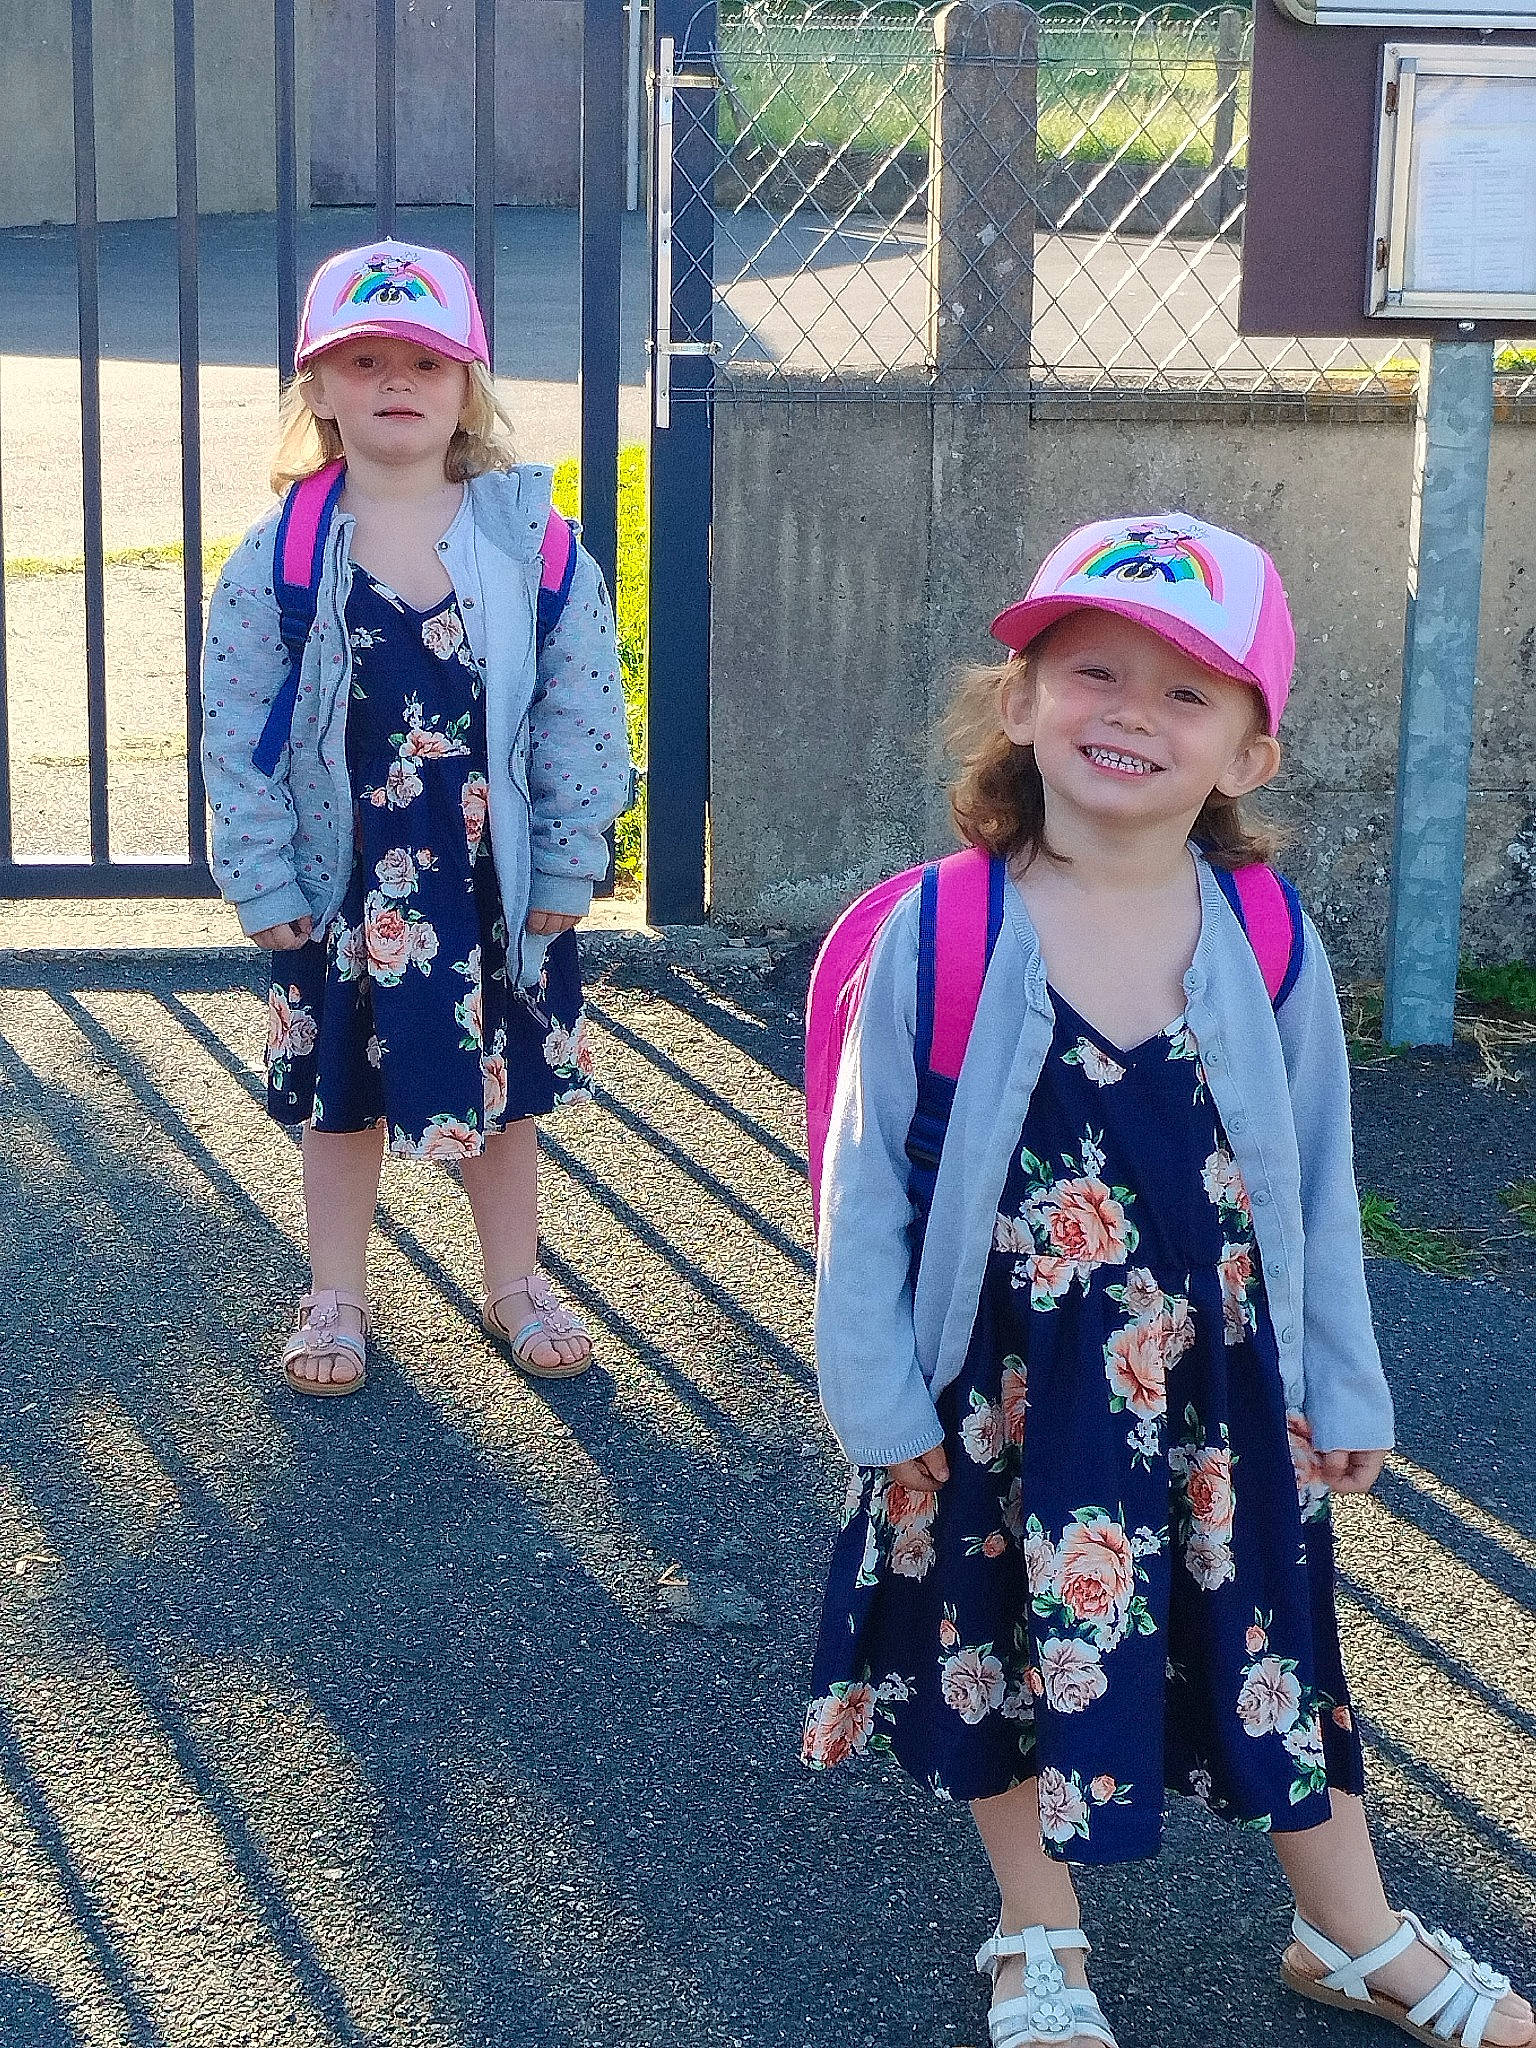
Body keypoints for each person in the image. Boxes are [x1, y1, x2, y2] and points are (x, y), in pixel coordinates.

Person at [801, 514, 1531, 2048]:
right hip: (989, 1398)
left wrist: (1345, 1384)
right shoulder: (941, 928)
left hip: (1215, 1398)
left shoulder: (1264, 932)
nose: (1130, 710)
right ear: (1020, 702)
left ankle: (1351, 1932)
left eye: (1187, 692)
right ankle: (1036, 1931)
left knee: (1271, 1653)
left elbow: (1316, 1183)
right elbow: (863, 1188)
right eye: (1091, 670)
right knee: (996, 1656)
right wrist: (874, 1400)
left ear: (1252, 754)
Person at [201, 238, 631, 1394]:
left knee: (499, 1094)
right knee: (341, 1098)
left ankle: (514, 1277)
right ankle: (335, 1290)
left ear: (468, 385)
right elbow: (236, 722)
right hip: (344, 879)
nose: (396, 381)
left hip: (490, 876)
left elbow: (582, 707)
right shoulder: (279, 554)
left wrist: (571, 856)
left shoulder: (534, 544)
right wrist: (260, 873)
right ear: (321, 389)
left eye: (425, 363)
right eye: (364, 358)